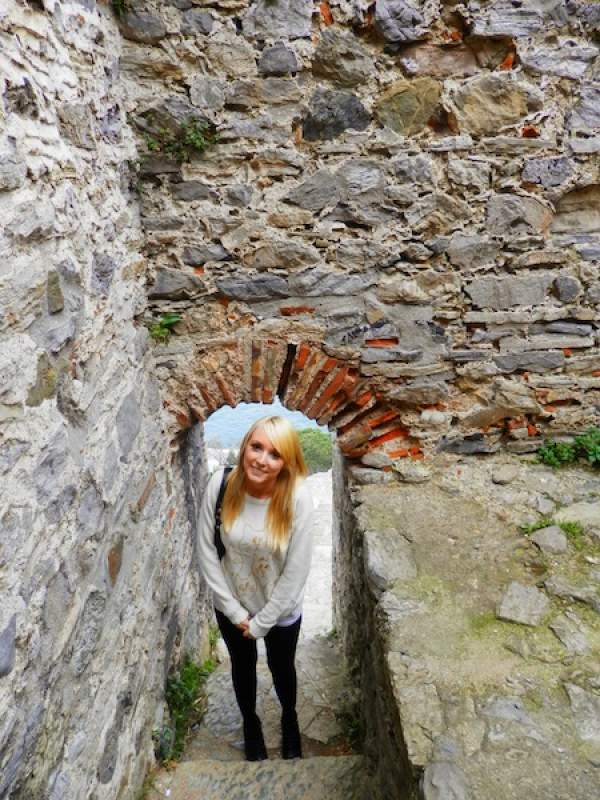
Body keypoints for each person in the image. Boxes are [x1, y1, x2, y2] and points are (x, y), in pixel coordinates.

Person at [197, 415, 315, 761]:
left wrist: (263, 621)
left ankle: (289, 717)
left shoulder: (297, 498)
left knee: (282, 668)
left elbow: (296, 570)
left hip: (279, 609)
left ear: (286, 463)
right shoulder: (220, 484)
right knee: (242, 667)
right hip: (232, 603)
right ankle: (250, 722)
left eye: (275, 454)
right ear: (245, 444)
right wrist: (234, 612)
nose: (262, 460)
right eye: (257, 446)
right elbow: (206, 549)